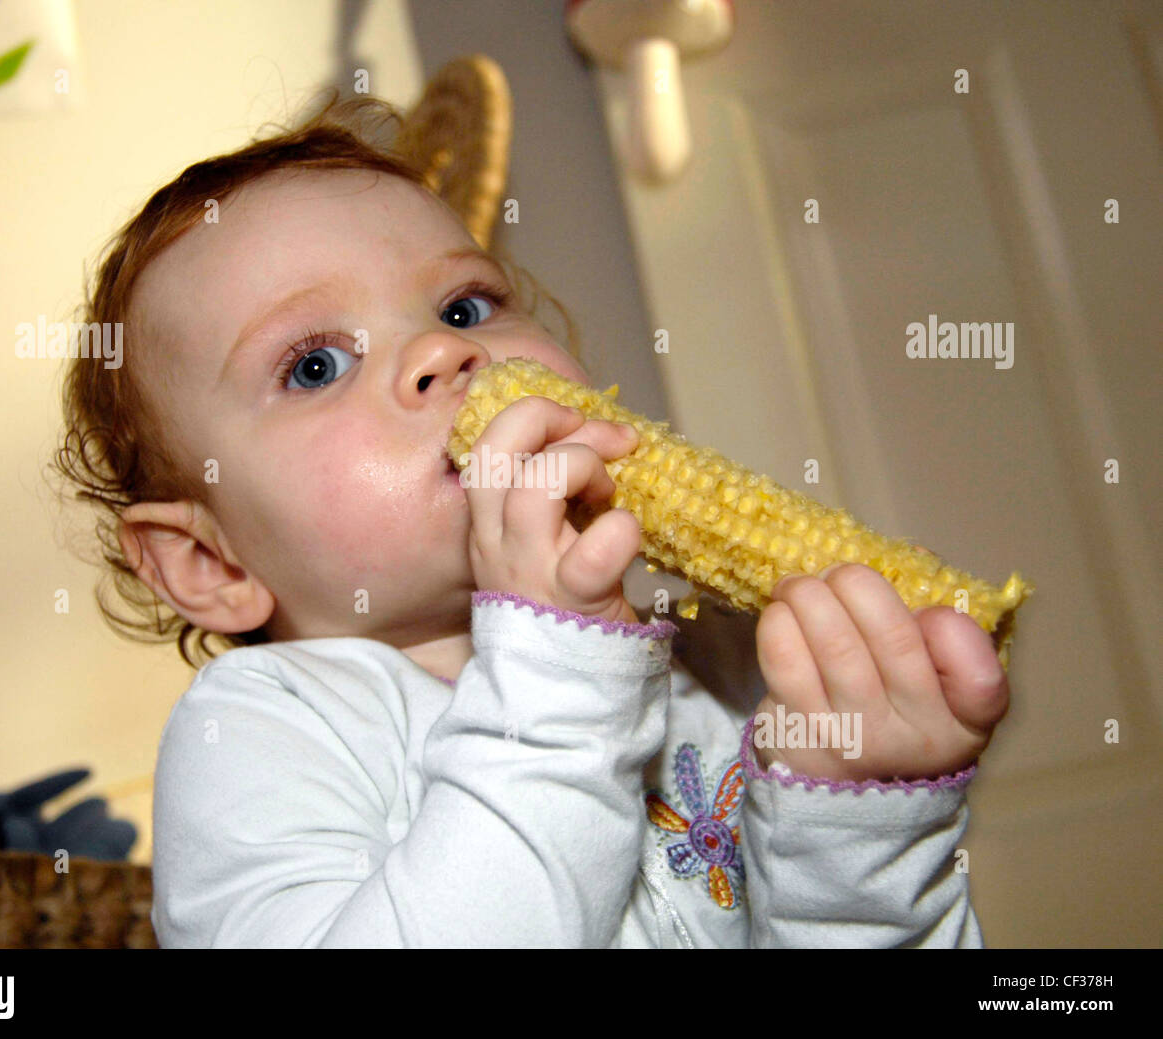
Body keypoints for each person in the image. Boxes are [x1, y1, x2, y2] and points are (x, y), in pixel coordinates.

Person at [53, 90, 1010, 947]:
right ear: (206, 563)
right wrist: (560, 684)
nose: (442, 351)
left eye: (466, 306)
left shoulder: (722, 663)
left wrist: (864, 832)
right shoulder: (265, 735)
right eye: (314, 365)